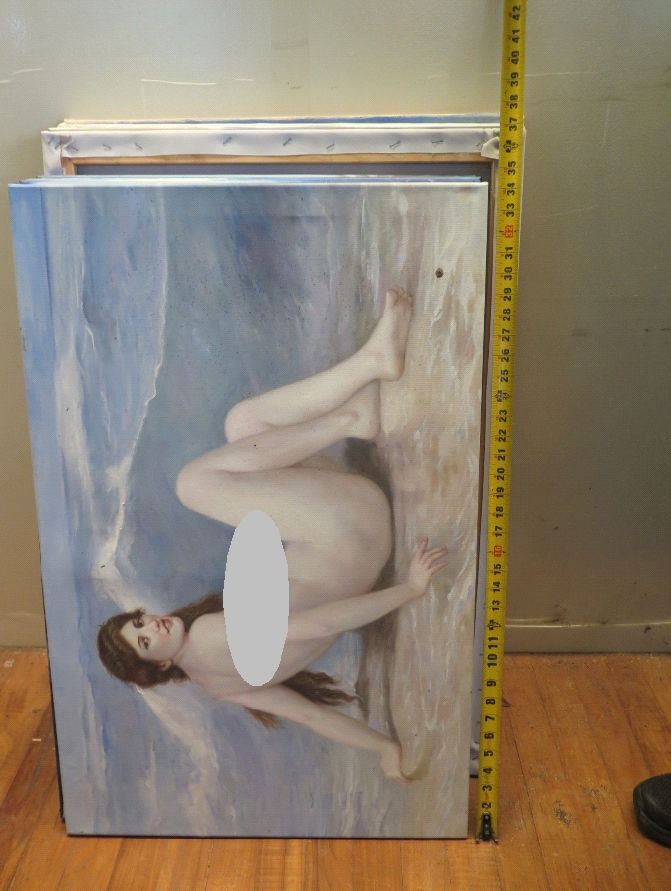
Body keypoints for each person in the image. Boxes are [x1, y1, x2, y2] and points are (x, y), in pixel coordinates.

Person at [98, 288, 449, 781]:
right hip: (355, 529)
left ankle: (366, 386)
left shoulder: (219, 686)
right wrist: (409, 590)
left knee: (245, 426)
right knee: (193, 483)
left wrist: (384, 749)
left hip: (355, 539)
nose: (151, 625)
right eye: (144, 640)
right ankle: (354, 410)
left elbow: (311, 716)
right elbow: (322, 623)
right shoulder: (209, 634)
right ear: (156, 667)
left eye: (139, 620)